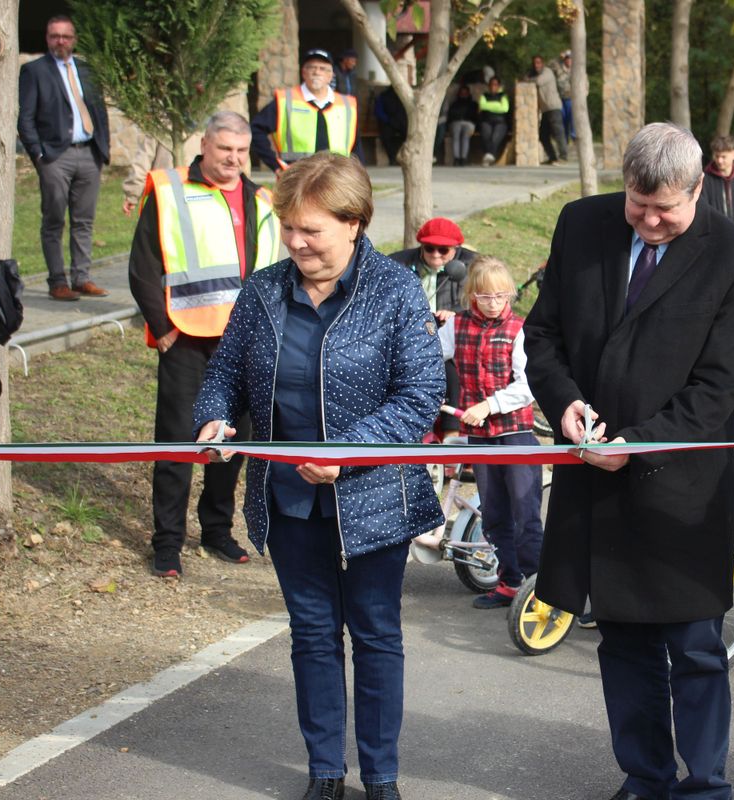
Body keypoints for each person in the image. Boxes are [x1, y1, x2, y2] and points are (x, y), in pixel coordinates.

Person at [523, 122, 734, 800]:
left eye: (668, 209)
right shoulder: (583, 224)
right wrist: (565, 404)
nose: (653, 220)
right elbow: (543, 335)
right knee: (623, 644)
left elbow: (719, 386)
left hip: (680, 484)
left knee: (693, 648)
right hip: (591, 472)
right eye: (640, 204)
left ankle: (705, 785)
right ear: (625, 184)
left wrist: (637, 446)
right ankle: (645, 778)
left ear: (700, 190)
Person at [194, 152, 444, 800]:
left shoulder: (393, 290)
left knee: (376, 635)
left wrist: (348, 449)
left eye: (312, 230)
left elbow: (419, 394)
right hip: (287, 500)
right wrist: (215, 419)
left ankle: (382, 777)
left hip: (373, 499)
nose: (296, 242)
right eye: (289, 227)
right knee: (311, 635)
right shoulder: (264, 290)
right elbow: (223, 373)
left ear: (354, 221)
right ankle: (325, 773)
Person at [128, 111, 280, 578]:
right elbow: (143, 266)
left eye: (240, 150)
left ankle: (216, 530)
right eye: (224, 149)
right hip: (187, 341)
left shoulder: (264, 199)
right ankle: (167, 543)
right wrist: (164, 329)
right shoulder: (171, 192)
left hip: (246, 346)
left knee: (235, 445)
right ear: (205, 146)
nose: (233, 158)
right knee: (176, 444)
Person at [438, 257, 544, 609]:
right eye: (486, 297)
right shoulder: (456, 328)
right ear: (472, 295)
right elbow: (428, 357)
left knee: (525, 513)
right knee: (495, 513)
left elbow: (528, 385)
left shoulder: (519, 329)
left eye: (502, 296)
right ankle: (509, 582)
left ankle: (537, 589)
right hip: (481, 437)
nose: (495, 303)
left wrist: (488, 405)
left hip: (515, 434)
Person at [17, 14, 111, 301]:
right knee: (54, 220)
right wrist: (38, 153)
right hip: (55, 156)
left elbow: (98, 111)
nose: (60, 41)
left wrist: (103, 148)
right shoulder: (35, 71)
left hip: (88, 152)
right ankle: (58, 281)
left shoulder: (86, 69)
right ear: (47, 38)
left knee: (84, 220)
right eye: (55, 36)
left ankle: (81, 277)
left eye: (66, 36)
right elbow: (26, 118)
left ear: (74, 39)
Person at [389, 217, 480, 434]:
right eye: (430, 249)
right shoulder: (397, 263)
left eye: (443, 250)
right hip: (412, 335)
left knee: (449, 367)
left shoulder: (474, 267)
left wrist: (456, 314)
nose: (436, 255)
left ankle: (452, 434)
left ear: (456, 249)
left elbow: (487, 300)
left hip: (454, 336)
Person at [251, 48, 362, 174]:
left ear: (331, 75)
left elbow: (356, 144)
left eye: (322, 68)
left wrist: (358, 173)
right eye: (311, 67)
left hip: (337, 177)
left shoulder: (347, 105)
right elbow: (255, 129)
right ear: (303, 73)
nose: (316, 72)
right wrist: (275, 165)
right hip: (297, 177)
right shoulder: (285, 101)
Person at [525, 55, 567, 165]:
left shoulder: (547, 72)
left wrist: (528, 79)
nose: (536, 65)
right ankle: (552, 157)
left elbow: (538, 81)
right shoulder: (535, 74)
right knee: (543, 135)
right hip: (545, 110)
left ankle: (563, 157)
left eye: (538, 63)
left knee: (558, 133)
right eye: (535, 63)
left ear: (542, 63)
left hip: (554, 107)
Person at [477, 76, 510, 166]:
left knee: (495, 137)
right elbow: (482, 105)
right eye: (491, 84)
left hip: (500, 122)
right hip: (486, 121)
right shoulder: (484, 95)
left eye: (495, 84)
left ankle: (488, 155)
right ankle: (490, 156)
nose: (493, 86)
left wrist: (489, 105)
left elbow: (505, 108)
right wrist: (497, 106)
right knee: (486, 136)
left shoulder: (503, 95)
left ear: (498, 86)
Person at [374, 85, 409, 166]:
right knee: (386, 136)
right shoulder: (384, 96)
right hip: (388, 123)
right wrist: (388, 120)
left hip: (400, 122)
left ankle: (403, 157)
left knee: (408, 135)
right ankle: (392, 157)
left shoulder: (403, 96)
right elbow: (378, 112)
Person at [446, 84, 478, 166]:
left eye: (465, 93)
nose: (463, 95)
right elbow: (451, 116)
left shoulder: (473, 104)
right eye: (462, 93)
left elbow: (474, 116)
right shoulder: (454, 104)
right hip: (456, 123)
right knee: (456, 134)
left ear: (468, 93)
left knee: (465, 136)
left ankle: (463, 158)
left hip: (469, 123)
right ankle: (456, 158)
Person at [550, 50, 575, 142]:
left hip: (572, 100)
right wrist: (558, 57)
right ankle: (565, 141)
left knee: (573, 120)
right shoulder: (559, 69)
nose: (569, 61)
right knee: (563, 120)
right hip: (560, 99)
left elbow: (585, 84)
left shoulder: (577, 70)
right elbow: (550, 64)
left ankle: (574, 138)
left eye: (570, 59)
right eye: (567, 59)